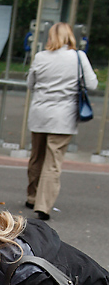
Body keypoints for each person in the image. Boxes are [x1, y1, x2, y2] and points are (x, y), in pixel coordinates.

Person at [26, 22, 97, 221]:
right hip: (63, 117)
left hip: (40, 113)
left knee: (36, 157)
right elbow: (92, 84)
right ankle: (43, 206)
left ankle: (32, 196)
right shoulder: (78, 57)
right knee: (53, 161)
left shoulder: (40, 57)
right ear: (70, 37)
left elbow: (30, 83)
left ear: (50, 37)